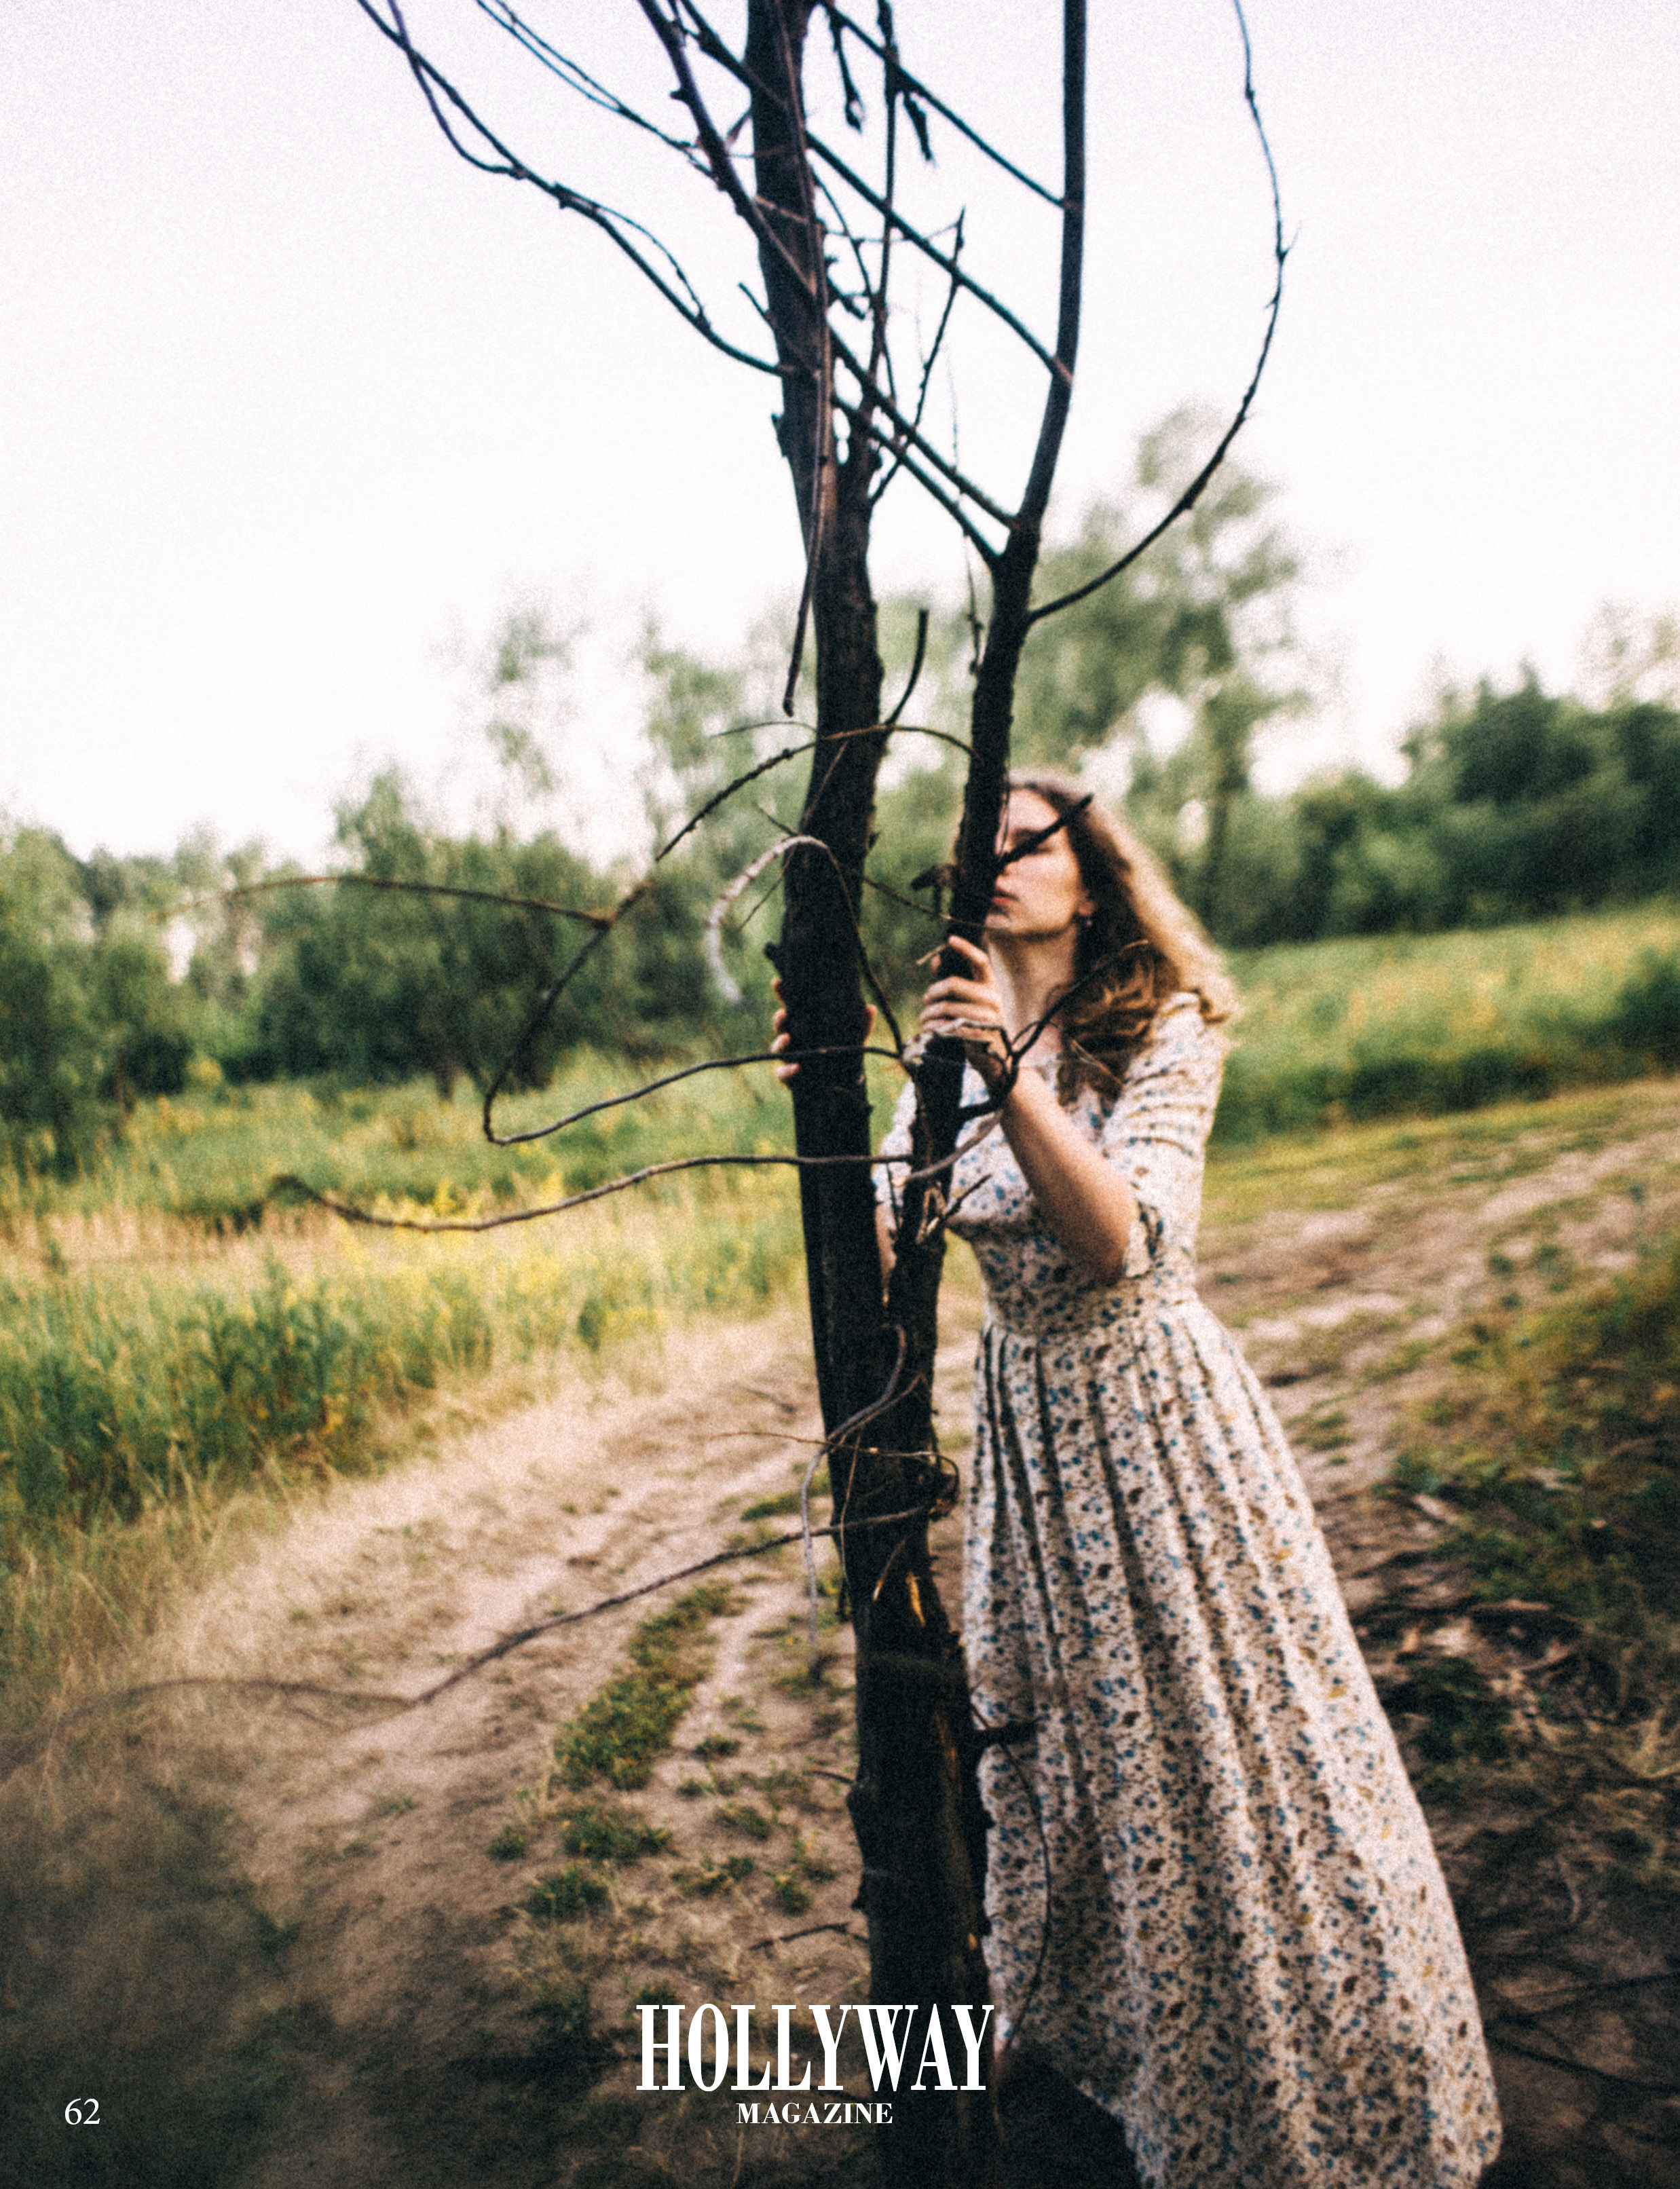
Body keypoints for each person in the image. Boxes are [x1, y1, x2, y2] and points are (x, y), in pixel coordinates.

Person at [775, 771, 1501, 2189]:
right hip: (1031, 1431)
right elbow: (871, 1247)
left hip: (1157, 1419)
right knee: (1060, 1744)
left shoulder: (1158, 1022)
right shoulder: (946, 1049)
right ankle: (1127, 2051)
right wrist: (822, 1094)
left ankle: (1312, 2085)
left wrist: (1010, 1070)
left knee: (1221, 1741)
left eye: (1022, 843)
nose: (991, 864)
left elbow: (1122, 1240)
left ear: (1087, 872)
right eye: (972, 848)